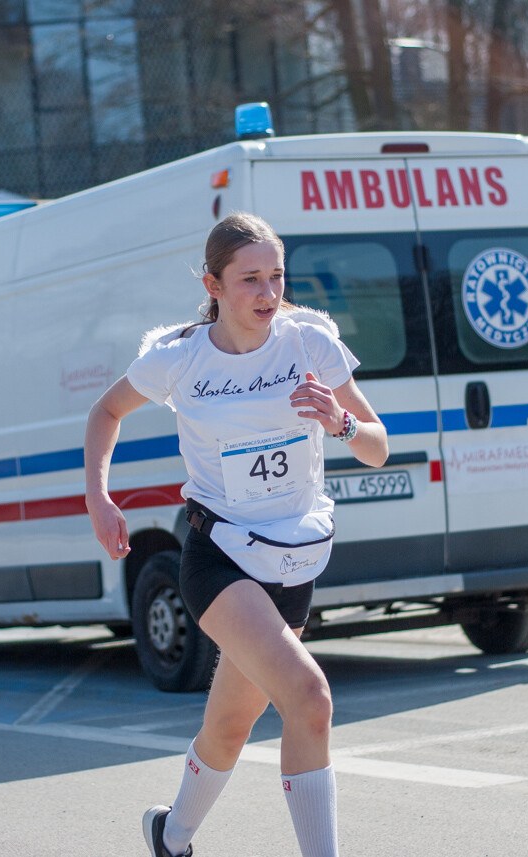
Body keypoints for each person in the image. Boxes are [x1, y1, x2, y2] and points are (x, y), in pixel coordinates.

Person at [84, 213, 388, 857]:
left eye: (276, 276)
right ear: (213, 284)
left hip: (292, 559)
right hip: (219, 555)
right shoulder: (181, 357)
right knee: (310, 698)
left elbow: (377, 447)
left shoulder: (311, 344)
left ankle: (170, 835)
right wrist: (99, 498)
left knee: (227, 726)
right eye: (249, 278)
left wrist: (340, 424)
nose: (267, 293)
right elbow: (105, 411)